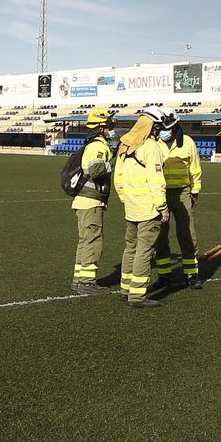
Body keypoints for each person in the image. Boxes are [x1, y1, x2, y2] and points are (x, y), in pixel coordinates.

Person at [113, 106, 170, 308]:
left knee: (130, 248)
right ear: (152, 126)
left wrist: (125, 199)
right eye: (158, 127)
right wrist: (162, 207)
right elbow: (156, 180)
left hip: (131, 207)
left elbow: (118, 178)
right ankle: (137, 295)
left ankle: (125, 288)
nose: (159, 131)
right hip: (148, 209)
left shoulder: (125, 145)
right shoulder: (151, 147)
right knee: (144, 251)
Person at [153, 108, 205, 289]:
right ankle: (164, 275)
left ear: (175, 125)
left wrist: (195, 192)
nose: (164, 130)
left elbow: (195, 169)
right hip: (160, 193)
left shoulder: (188, 142)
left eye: (167, 127)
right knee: (160, 234)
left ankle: (192, 274)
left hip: (182, 193)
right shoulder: (153, 142)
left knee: (187, 233)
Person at [70, 108, 117, 294]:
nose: (111, 129)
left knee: (85, 241)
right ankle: (87, 283)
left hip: (83, 201)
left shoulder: (92, 144)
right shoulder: (98, 146)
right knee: (93, 241)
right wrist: (114, 161)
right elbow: (96, 171)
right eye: (109, 126)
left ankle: (78, 279)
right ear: (100, 128)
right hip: (91, 201)